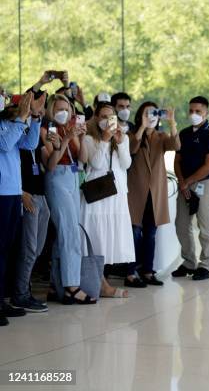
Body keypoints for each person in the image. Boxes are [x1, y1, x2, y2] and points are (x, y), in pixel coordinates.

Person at [41, 93, 95, 305]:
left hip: (73, 178)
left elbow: (83, 159)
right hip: (57, 179)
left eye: (66, 109)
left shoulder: (72, 128)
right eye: (58, 109)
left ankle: (56, 284)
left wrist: (79, 138)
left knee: (67, 231)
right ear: (51, 111)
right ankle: (72, 286)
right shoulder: (47, 130)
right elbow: (51, 164)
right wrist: (64, 140)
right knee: (69, 232)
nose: (63, 113)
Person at [80, 103, 134, 298]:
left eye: (110, 117)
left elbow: (126, 164)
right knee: (96, 238)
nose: (106, 121)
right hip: (96, 195)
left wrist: (119, 143)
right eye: (102, 116)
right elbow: (95, 163)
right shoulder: (88, 138)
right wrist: (104, 140)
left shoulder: (124, 137)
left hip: (116, 194)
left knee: (109, 238)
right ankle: (101, 285)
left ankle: (100, 283)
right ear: (95, 117)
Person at [0, 91, 43, 326]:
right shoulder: (5, 125)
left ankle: (1, 300)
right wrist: (22, 118)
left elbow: (30, 144)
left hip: (12, 193)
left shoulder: (12, 124)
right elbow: (5, 144)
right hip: (1, 194)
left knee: (6, 250)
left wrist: (35, 118)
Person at [125, 102, 179, 287]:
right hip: (136, 192)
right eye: (147, 114)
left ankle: (147, 270)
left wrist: (172, 123)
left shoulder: (161, 136)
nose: (151, 117)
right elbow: (131, 148)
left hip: (155, 192)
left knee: (150, 234)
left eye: (154, 114)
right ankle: (130, 272)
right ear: (140, 116)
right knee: (134, 233)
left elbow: (176, 145)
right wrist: (142, 126)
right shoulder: (132, 135)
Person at [172, 96, 209, 281]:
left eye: (198, 111)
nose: (193, 114)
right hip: (184, 183)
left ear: (206, 113)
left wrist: (188, 182)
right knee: (181, 225)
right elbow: (177, 160)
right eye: (191, 111)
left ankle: (206, 265)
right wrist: (182, 181)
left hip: (204, 184)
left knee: (205, 225)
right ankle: (188, 262)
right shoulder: (184, 134)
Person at [11, 99, 52, 313]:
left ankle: (24, 288)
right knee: (28, 248)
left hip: (41, 195)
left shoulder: (34, 132)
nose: (39, 111)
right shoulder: (15, 131)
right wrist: (21, 193)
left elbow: (48, 161)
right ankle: (20, 295)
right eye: (34, 108)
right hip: (26, 195)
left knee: (36, 248)